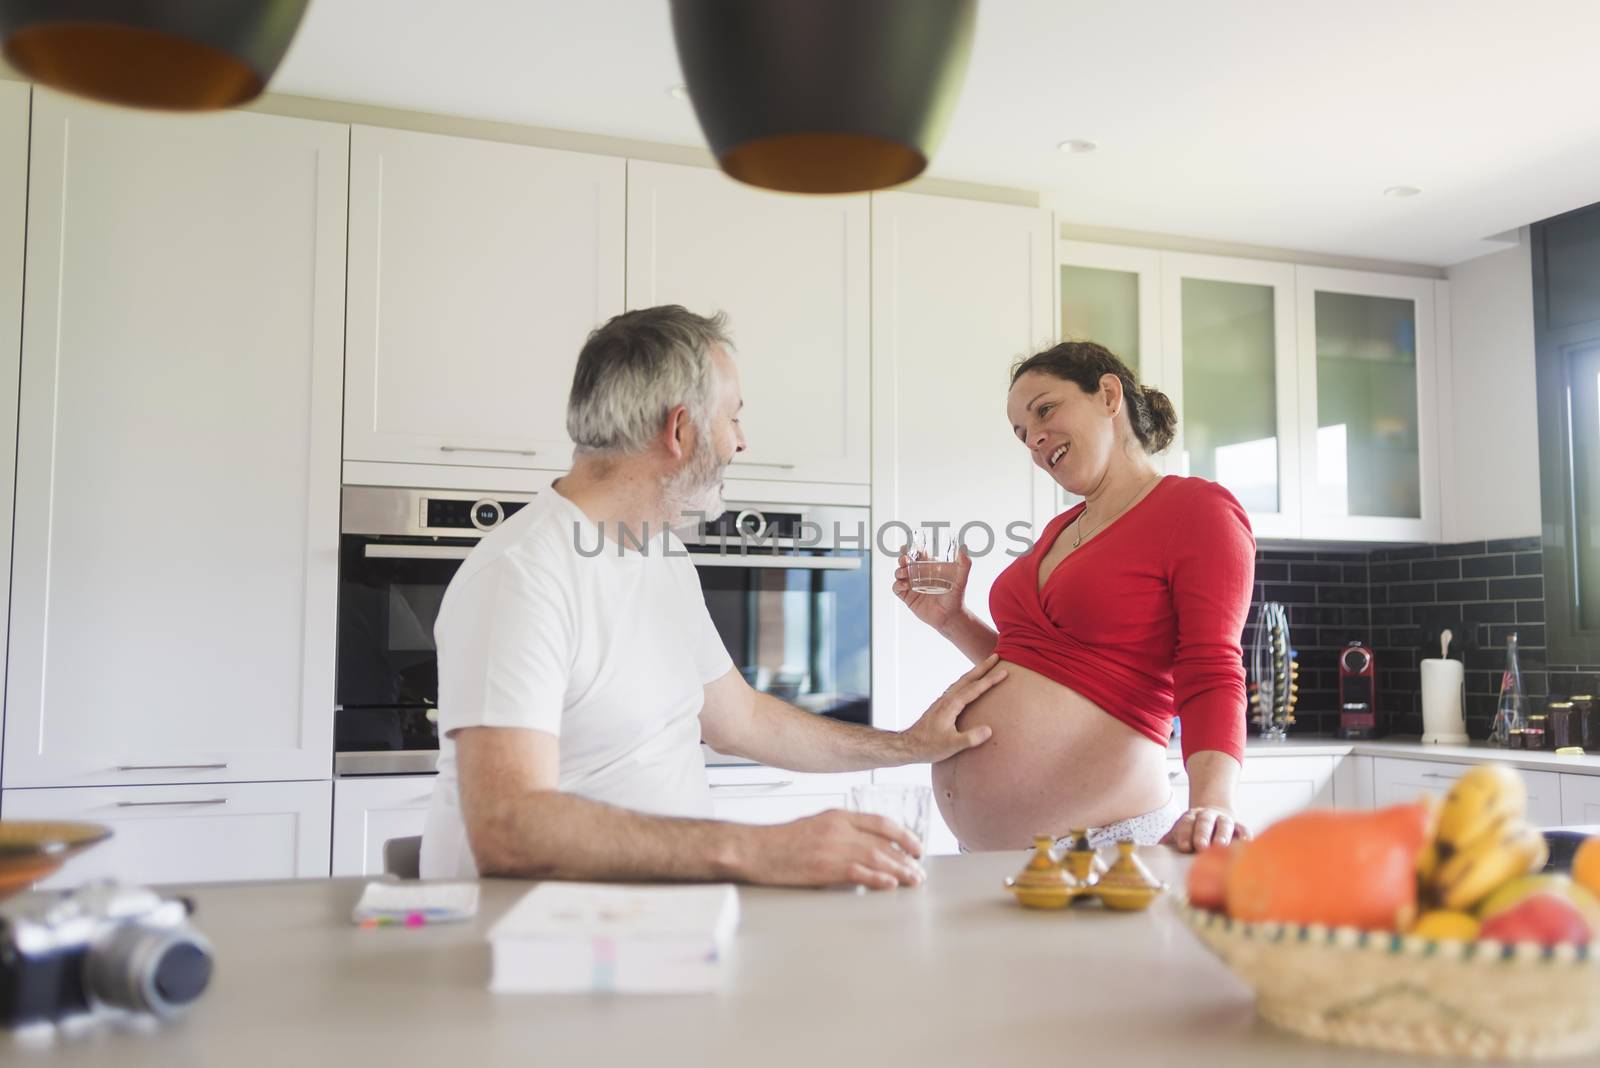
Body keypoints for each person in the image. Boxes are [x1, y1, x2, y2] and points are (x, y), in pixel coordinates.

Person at [420, 305, 1004, 886]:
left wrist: (907, 745)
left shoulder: (658, 552)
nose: (742, 443)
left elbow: (741, 719)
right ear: (679, 431)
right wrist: (761, 850)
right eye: (733, 419)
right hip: (538, 946)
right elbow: (507, 827)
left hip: (650, 924)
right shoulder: (523, 575)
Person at [893, 340, 1255, 854]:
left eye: (1045, 410)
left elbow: (1213, 669)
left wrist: (1214, 802)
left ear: (1108, 394)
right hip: (998, 853)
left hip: (1108, 844)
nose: (1035, 440)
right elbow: (1038, 666)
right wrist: (952, 620)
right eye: (1022, 435)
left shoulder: (1196, 510)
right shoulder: (1059, 531)